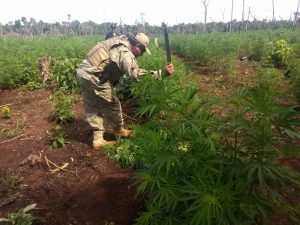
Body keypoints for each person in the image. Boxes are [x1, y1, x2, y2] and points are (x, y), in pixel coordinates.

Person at [76, 33, 174, 150]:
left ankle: (98, 140)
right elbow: (135, 74)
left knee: (92, 106)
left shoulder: (120, 41)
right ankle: (117, 130)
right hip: (94, 76)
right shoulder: (125, 52)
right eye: (142, 51)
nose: (141, 54)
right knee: (112, 104)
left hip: (83, 73)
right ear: (137, 45)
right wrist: (161, 74)